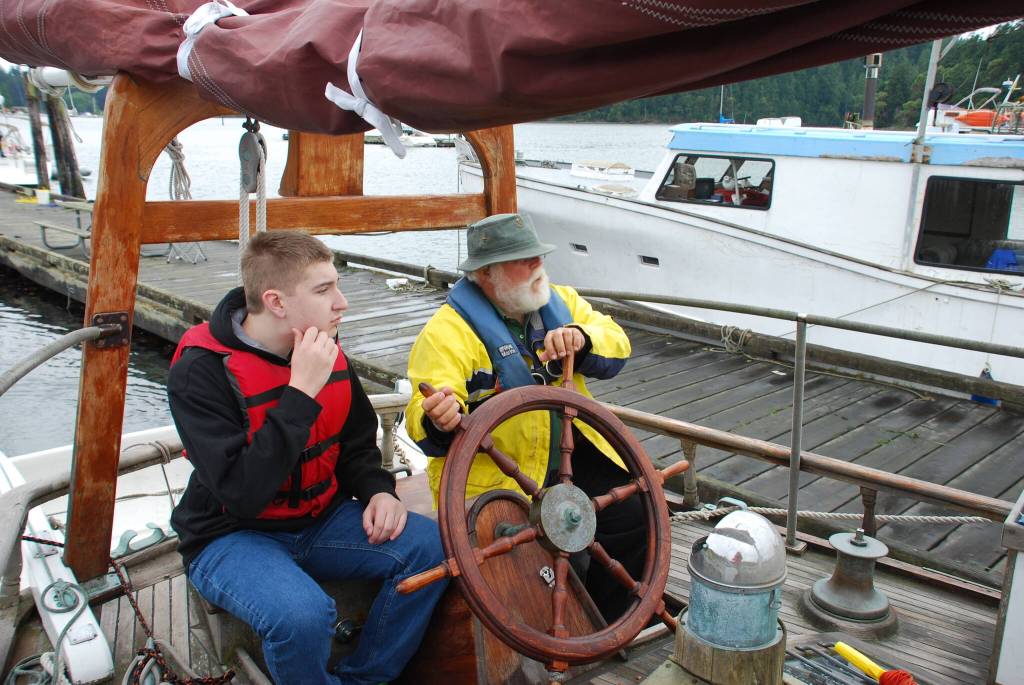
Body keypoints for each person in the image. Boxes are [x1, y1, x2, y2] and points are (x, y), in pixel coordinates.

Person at [168, 230, 446, 685]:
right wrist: (300, 391)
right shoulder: (201, 372)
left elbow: (356, 444)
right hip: (231, 535)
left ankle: (366, 677)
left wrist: (379, 491)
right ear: (276, 302)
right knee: (303, 616)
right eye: (324, 290)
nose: (342, 303)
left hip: (319, 520)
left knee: (429, 550)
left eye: (336, 286)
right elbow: (242, 495)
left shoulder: (324, 346)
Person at [405, 212, 644, 623]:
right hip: (495, 471)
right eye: (523, 259)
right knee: (519, 552)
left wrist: (583, 340)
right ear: (486, 274)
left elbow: (618, 344)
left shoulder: (563, 301)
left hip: (569, 448)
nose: (538, 266)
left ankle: (606, 622)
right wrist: (439, 416)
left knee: (636, 515)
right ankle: (543, 628)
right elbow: (422, 408)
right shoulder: (446, 333)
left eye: (538, 255)